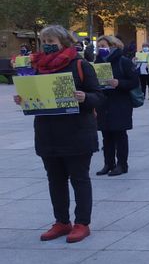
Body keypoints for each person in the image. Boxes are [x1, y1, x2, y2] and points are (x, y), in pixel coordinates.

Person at [14, 25, 105, 243]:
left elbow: (100, 97)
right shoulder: (39, 67)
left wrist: (86, 97)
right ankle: (62, 221)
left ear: (64, 43)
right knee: (55, 180)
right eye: (44, 41)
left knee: (79, 179)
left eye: (52, 41)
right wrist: (23, 99)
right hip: (48, 133)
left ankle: (82, 223)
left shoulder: (80, 65)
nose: (47, 45)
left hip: (77, 133)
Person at [94, 35, 139, 176]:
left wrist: (119, 83)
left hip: (120, 103)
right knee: (106, 135)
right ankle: (108, 163)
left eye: (104, 46)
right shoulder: (97, 63)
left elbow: (134, 82)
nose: (101, 49)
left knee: (120, 135)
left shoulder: (123, 61)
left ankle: (122, 164)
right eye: (99, 46)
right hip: (103, 103)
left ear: (113, 46)